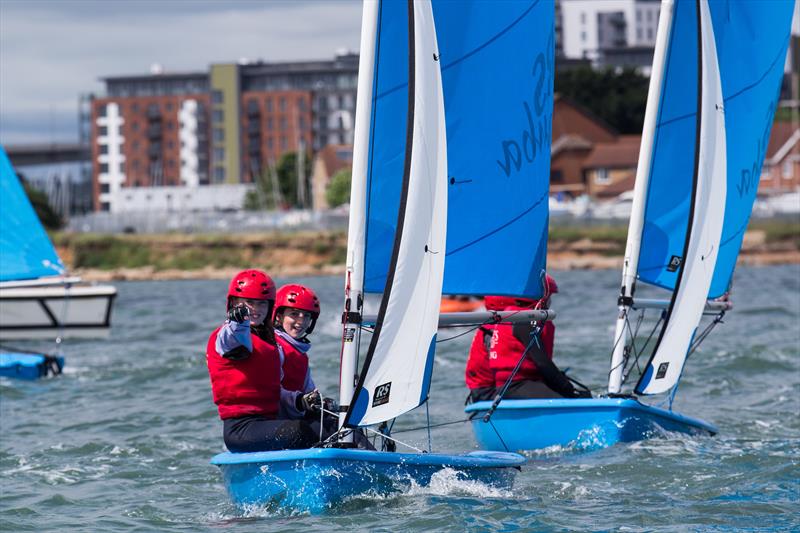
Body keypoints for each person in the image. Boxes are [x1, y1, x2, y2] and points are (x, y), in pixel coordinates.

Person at [205, 269, 324, 453]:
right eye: (249, 303)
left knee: (331, 426)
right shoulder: (229, 336)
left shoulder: (269, 345)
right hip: (241, 429)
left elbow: (276, 390)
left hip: (267, 423)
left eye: (261, 304)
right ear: (234, 304)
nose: (256, 309)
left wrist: (301, 401)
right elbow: (233, 335)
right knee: (303, 432)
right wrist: (238, 321)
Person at [488, 274, 591, 399]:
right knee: (570, 399)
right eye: (550, 296)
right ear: (541, 297)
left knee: (578, 395)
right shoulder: (524, 321)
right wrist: (568, 389)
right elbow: (542, 363)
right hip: (515, 385)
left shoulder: (518, 316)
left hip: (524, 382)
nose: (550, 301)